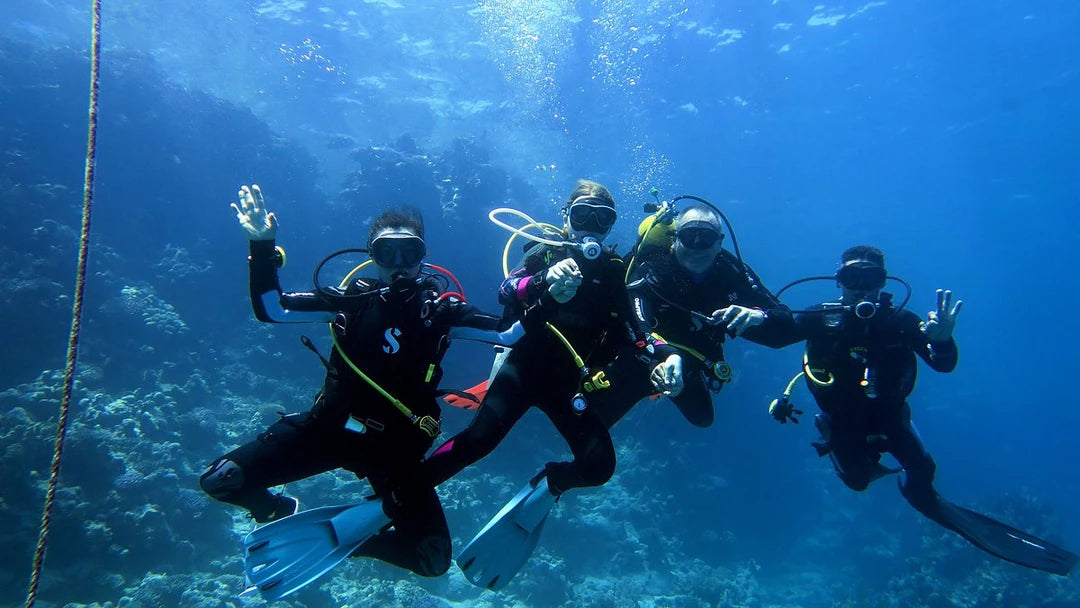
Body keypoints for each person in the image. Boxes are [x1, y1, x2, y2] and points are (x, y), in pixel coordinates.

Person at [200, 185, 519, 598]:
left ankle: (349, 540)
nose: (399, 265)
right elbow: (272, 309)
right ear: (372, 256)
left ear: (424, 256)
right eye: (388, 253)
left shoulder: (440, 312)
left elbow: (512, 332)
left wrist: (535, 287)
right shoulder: (350, 302)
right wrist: (261, 244)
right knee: (220, 481)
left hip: (395, 452)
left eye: (410, 252)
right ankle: (278, 512)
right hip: (327, 429)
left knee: (433, 559)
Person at [423, 179, 683, 589]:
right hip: (523, 370)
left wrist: (669, 355)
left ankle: (550, 484)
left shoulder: (616, 273)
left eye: (603, 220)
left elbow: (639, 328)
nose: (591, 227)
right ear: (566, 217)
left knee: (599, 466)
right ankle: (401, 495)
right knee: (477, 443)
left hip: (569, 385)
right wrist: (543, 280)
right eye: (583, 215)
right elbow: (506, 290)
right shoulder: (543, 253)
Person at [768, 245, 1077, 576]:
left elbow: (942, 364)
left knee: (923, 475)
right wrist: (754, 318)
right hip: (841, 420)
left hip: (891, 414)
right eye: (851, 278)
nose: (861, 287)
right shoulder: (819, 318)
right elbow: (775, 335)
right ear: (838, 282)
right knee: (857, 481)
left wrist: (943, 340)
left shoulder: (900, 321)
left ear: (883, 283)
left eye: (869, 278)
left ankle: (907, 485)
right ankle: (840, 441)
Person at [586, 203, 795, 431]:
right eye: (688, 236)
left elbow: (785, 325)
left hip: (690, 363)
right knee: (591, 423)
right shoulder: (654, 269)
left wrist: (760, 316)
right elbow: (637, 324)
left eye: (705, 237)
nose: (697, 247)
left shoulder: (731, 272)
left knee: (703, 417)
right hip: (639, 356)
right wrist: (665, 357)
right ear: (674, 239)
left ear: (719, 242)